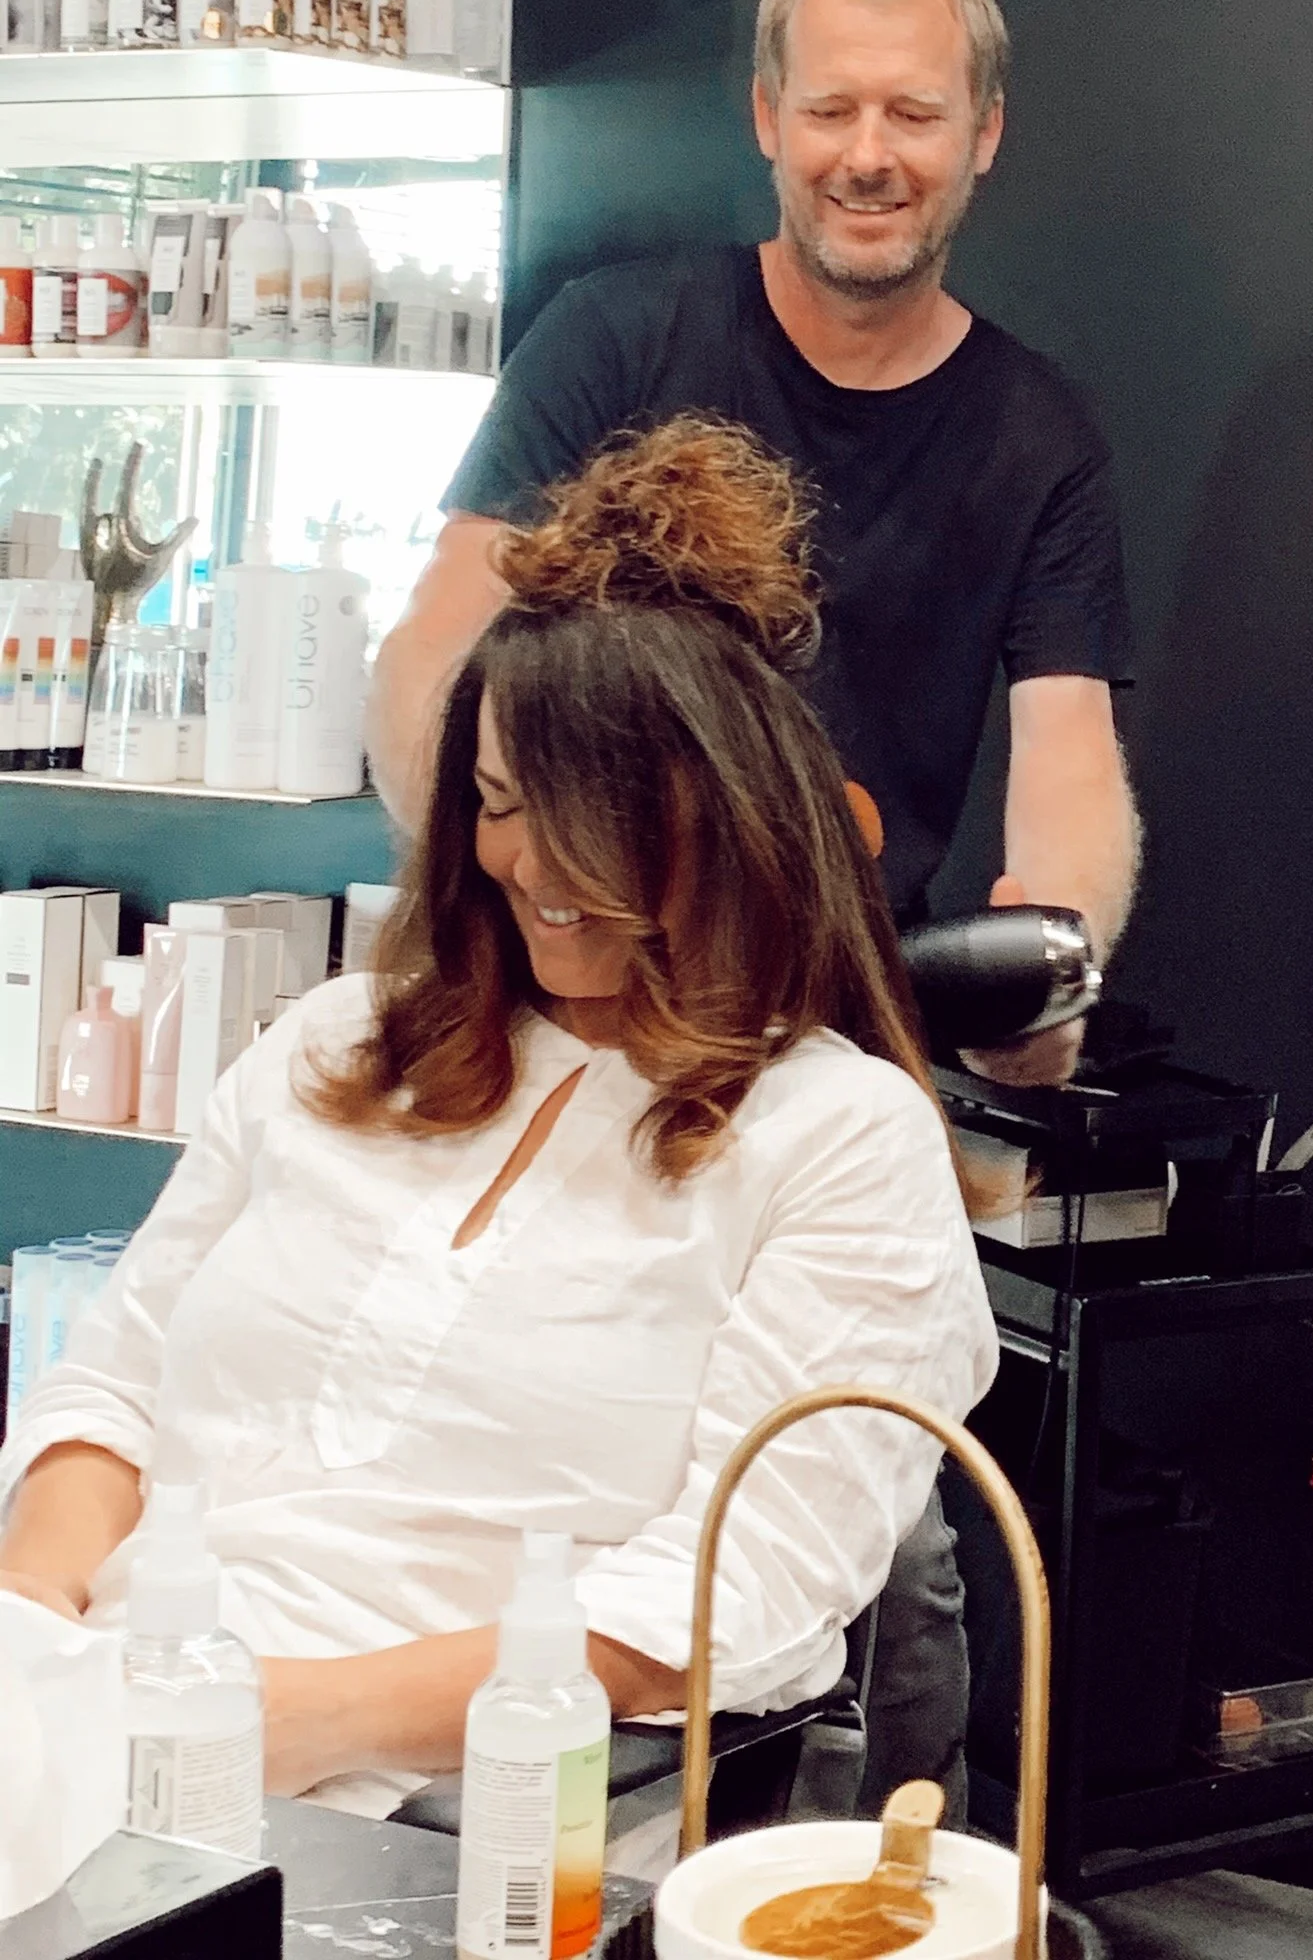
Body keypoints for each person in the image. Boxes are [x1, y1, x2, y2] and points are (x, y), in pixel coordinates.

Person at [0, 419, 996, 1828]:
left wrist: (259, 1724)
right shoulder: (334, 1046)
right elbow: (112, 1388)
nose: (538, 869)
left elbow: (739, 1599)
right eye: (501, 807)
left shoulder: (834, 1139)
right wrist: (36, 1617)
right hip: (90, 1728)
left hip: (434, 1803)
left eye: (597, 823)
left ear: (736, 819)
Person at [368, 0, 1139, 1087]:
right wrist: (511, 882)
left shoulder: (1039, 435)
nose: (868, 156)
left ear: (983, 135)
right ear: (770, 120)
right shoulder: (614, 341)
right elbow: (438, 647)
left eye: (915, 114)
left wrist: (1054, 969)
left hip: (835, 1045)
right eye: (832, 110)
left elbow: (1069, 753)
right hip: (564, 1014)